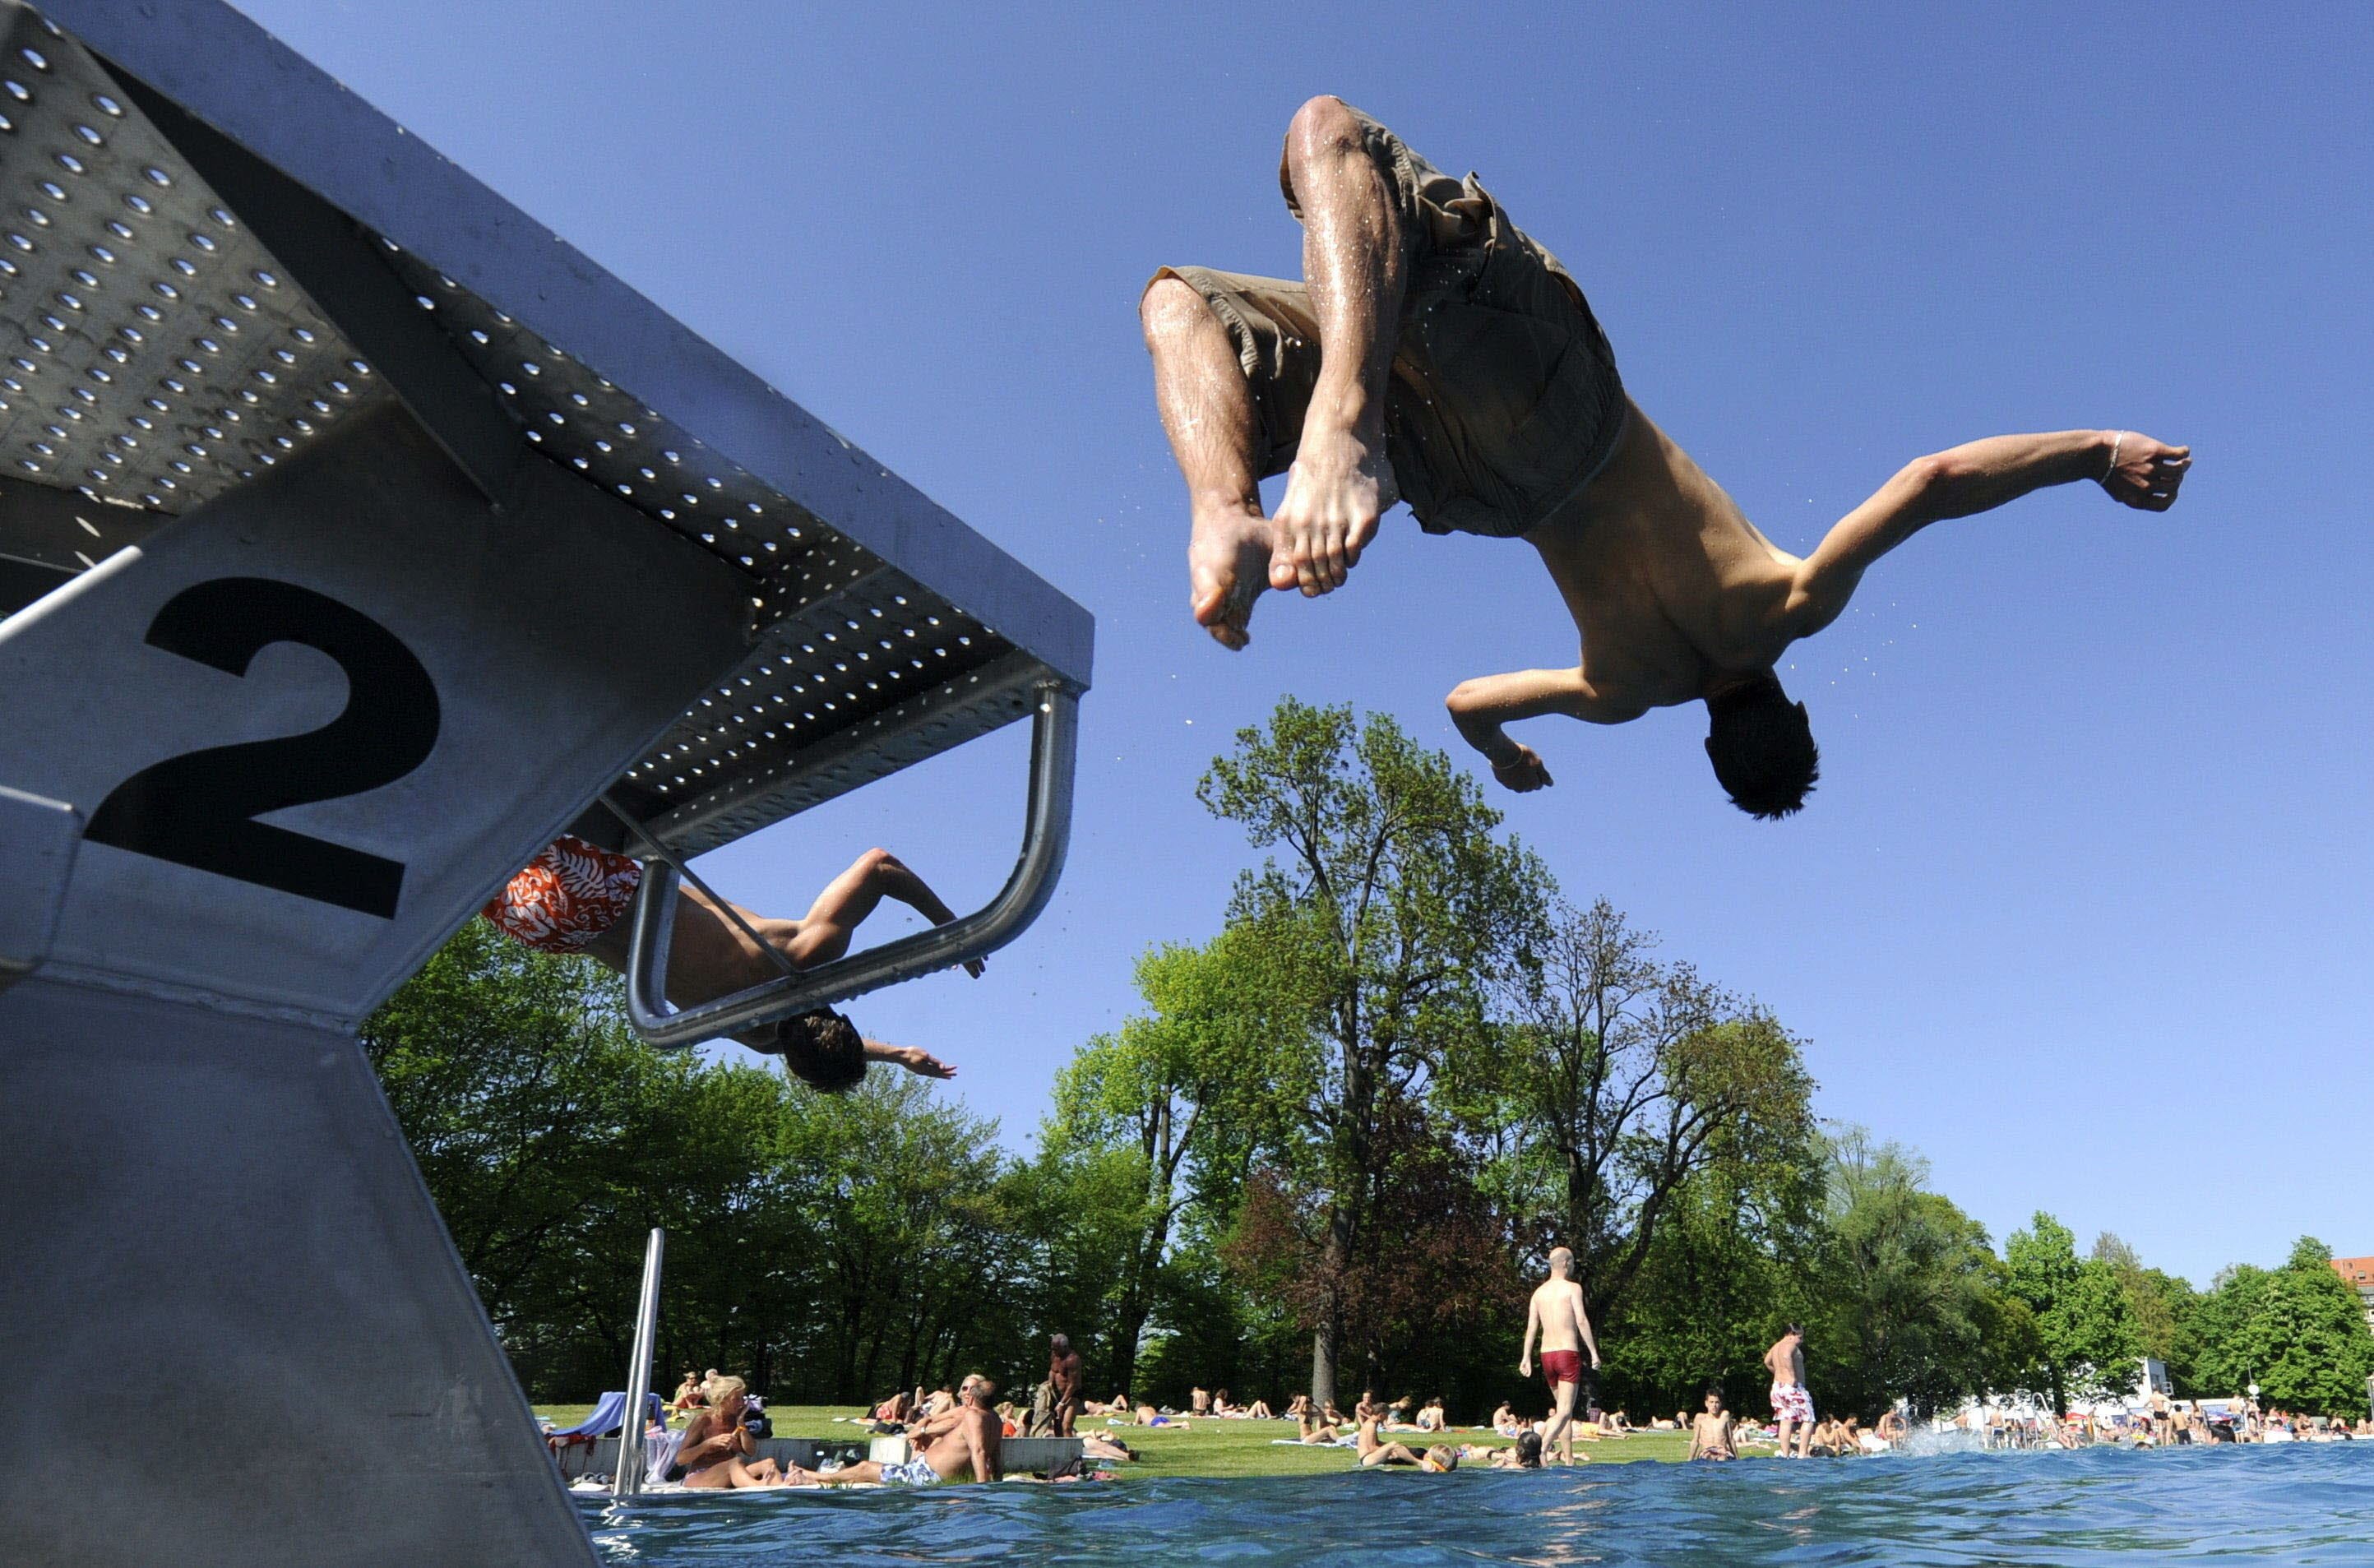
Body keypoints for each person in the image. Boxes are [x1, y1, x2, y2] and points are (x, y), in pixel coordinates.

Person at [1140, 97, 2192, 819]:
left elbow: (1933, 482)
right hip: (1472, 488)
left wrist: (2097, 451)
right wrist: (1506, 759)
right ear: (1706, 745)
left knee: (1326, 134)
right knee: (1176, 303)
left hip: (1566, 420)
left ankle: (1314, 434)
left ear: (1793, 704)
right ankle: (1230, 500)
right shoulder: (1620, 689)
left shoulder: (1789, 605)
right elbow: (1465, 702)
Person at [483, 838, 974, 1088]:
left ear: (843, 1017)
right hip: (551, 929)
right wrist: (894, 1055)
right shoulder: (755, 1034)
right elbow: (805, 1043)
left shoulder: (802, 957)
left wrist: (952, 929)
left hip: (599, 891)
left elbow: (880, 866)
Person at [795, 1377, 1004, 1488]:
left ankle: (811, 1476)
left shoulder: (973, 1416)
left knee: (865, 1467)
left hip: (927, 1476)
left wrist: (982, 1489)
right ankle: (816, 1480)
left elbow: (979, 1452)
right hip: (924, 1470)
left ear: (972, 1398)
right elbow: (995, 1454)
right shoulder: (994, 1419)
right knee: (866, 1475)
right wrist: (998, 1482)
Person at [1517, 1246, 1602, 1465]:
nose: (1573, 1267)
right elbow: (1582, 1320)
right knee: (1564, 1411)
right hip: (1566, 1353)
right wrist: (1593, 1352)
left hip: (1547, 1356)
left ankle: (1569, 1458)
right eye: (1572, 1263)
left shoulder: (1539, 1293)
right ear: (1565, 1263)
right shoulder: (1573, 1288)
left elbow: (1531, 1327)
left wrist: (1526, 1356)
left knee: (1564, 1413)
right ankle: (1540, 1450)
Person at [673, 1376, 784, 1489]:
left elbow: (751, 1451)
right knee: (734, 1463)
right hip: (699, 1476)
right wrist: (709, 1443)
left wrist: (741, 1423)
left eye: (742, 1398)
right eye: (736, 1399)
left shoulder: (735, 1420)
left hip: (730, 1473)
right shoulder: (704, 1420)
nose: (741, 1403)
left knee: (768, 1464)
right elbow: (681, 1459)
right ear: (721, 1399)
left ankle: (781, 1490)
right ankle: (760, 1487)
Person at [1764, 1325, 1814, 1459]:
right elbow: (1786, 1356)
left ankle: (1785, 1454)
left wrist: (1779, 1373)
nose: (1801, 1341)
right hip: (1792, 1387)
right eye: (1800, 1337)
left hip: (1778, 1387)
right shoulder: (1790, 1345)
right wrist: (1792, 1376)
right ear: (1791, 1334)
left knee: (1786, 1420)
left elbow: (1767, 1362)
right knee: (1808, 1418)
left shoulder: (1776, 1346)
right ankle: (1803, 1453)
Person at [1356, 1415, 1458, 1472]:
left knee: (1394, 1445)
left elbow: (1394, 1447)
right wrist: (1418, 1462)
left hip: (1371, 1460)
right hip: (1369, 1459)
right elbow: (1393, 1447)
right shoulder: (1421, 1454)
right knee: (1394, 1445)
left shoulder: (1422, 1458)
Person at [1048, 1335, 1084, 1436]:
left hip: (1072, 1394)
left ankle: (1069, 1450)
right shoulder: (1054, 1355)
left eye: (1057, 1349)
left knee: (1066, 1425)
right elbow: (1052, 1371)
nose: (1055, 1351)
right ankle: (1059, 1450)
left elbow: (1073, 1384)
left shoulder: (1073, 1359)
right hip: (1057, 1393)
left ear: (1065, 1347)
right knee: (1057, 1425)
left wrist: (1062, 1403)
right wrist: (1049, 1385)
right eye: (1053, 1349)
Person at [1688, 1390, 1737, 1461]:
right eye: (1711, 1402)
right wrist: (1690, 1460)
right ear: (1706, 1403)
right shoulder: (1700, 1418)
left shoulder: (1725, 1416)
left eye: (1717, 1402)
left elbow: (1731, 1439)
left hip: (1722, 1450)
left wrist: (1738, 1459)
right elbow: (1695, 1441)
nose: (1714, 1405)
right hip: (1707, 1451)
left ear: (1720, 1404)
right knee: (1708, 1457)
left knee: (1722, 1459)